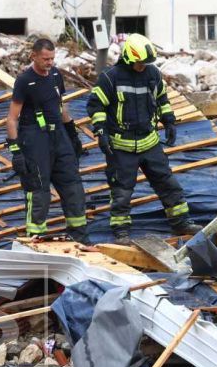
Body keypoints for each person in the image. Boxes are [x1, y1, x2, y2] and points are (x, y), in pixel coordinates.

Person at [86, 34, 201, 245]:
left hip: (149, 141)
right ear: (129, 59)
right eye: (139, 63)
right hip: (121, 146)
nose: (143, 66)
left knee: (168, 183)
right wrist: (101, 132)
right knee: (121, 191)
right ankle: (121, 231)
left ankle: (181, 222)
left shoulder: (153, 74)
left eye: (146, 63)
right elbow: (96, 106)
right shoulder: (111, 77)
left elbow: (162, 100)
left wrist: (169, 121)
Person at [6, 38, 87, 243]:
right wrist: (16, 151)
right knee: (39, 190)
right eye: (45, 59)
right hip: (35, 137)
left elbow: (62, 108)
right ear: (34, 56)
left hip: (59, 135)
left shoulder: (56, 75)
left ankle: (79, 236)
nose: (49, 62)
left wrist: (72, 134)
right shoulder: (25, 81)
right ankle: (36, 237)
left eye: (52, 58)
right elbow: (12, 118)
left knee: (73, 186)